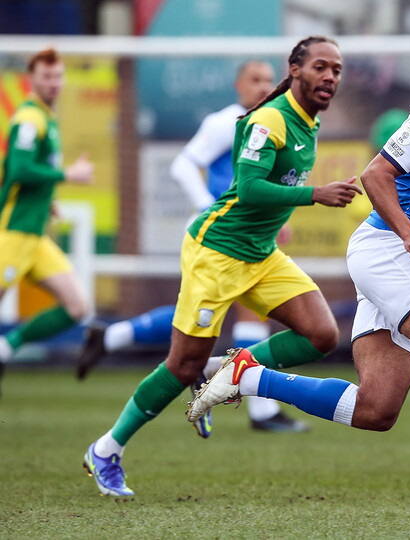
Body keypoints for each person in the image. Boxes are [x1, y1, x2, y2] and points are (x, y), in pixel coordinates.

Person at [187, 28, 410, 530]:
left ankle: (248, 376)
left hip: (405, 258)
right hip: (389, 250)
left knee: (376, 409)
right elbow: (376, 175)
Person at [83, 36, 362, 497]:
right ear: (294, 69)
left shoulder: (308, 122)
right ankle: (106, 449)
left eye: (336, 69)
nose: (330, 76)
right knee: (179, 364)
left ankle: (222, 374)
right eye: (320, 66)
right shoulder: (269, 119)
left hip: (260, 253)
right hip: (217, 253)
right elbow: (249, 189)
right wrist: (315, 193)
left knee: (322, 334)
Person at [75, 60, 308, 434]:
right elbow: (184, 164)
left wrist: (277, 222)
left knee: (232, 317)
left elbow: (265, 184)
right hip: (216, 237)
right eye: (255, 79)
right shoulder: (226, 122)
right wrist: (206, 205)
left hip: (247, 237)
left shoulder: (275, 123)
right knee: (202, 318)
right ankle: (253, 408)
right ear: (238, 85)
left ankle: (113, 337)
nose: (263, 86)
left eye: (268, 79)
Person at [0, 48, 94, 396]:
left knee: (77, 307)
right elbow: (20, 169)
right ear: (32, 79)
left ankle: (6, 347)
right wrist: (68, 174)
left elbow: (32, 175)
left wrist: (48, 200)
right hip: (12, 232)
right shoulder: (29, 119)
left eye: (58, 76)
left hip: (35, 237)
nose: (54, 83)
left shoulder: (46, 117)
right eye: (46, 77)